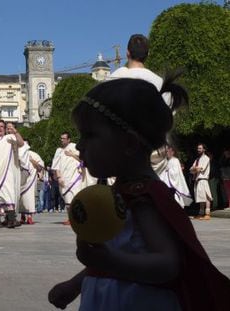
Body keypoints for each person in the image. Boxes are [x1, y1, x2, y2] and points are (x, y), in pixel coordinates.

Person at [48, 78, 230, 310]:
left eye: (89, 136)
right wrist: (75, 284)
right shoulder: (124, 192)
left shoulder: (143, 198)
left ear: (129, 143)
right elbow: (121, 253)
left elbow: (167, 265)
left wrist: (106, 261)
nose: (80, 146)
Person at [109, 33, 171, 176]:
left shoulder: (113, 80)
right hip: (154, 155)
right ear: (147, 54)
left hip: (122, 153)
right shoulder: (160, 83)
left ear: (127, 53)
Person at [51, 132, 83, 225]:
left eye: (64, 138)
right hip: (64, 177)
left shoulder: (74, 147)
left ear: (69, 139)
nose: (62, 140)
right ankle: (70, 218)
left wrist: (72, 154)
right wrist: (59, 177)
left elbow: (82, 159)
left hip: (75, 176)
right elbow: (56, 165)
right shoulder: (59, 151)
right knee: (67, 199)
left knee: (75, 197)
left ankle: (77, 218)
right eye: (61, 138)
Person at [18, 141, 44, 225]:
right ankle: (22, 216)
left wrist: (32, 160)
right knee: (21, 199)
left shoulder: (34, 154)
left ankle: (29, 217)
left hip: (31, 180)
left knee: (29, 197)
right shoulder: (17, 154)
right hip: (20, 180)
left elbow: (40, 168)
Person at [190, 144, 213, 220]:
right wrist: (195, 169)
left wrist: (195, 169)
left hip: (203, 179)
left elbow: (200, 169)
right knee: (201, 197)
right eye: (198, 148)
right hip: (197, 180)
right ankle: (201, 213)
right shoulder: (197, 159)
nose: (198, 149)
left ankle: (207, 214)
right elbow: (191, 170)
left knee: (206, 197)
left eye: (200, 148)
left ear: (204, 149)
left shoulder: (206, 158)